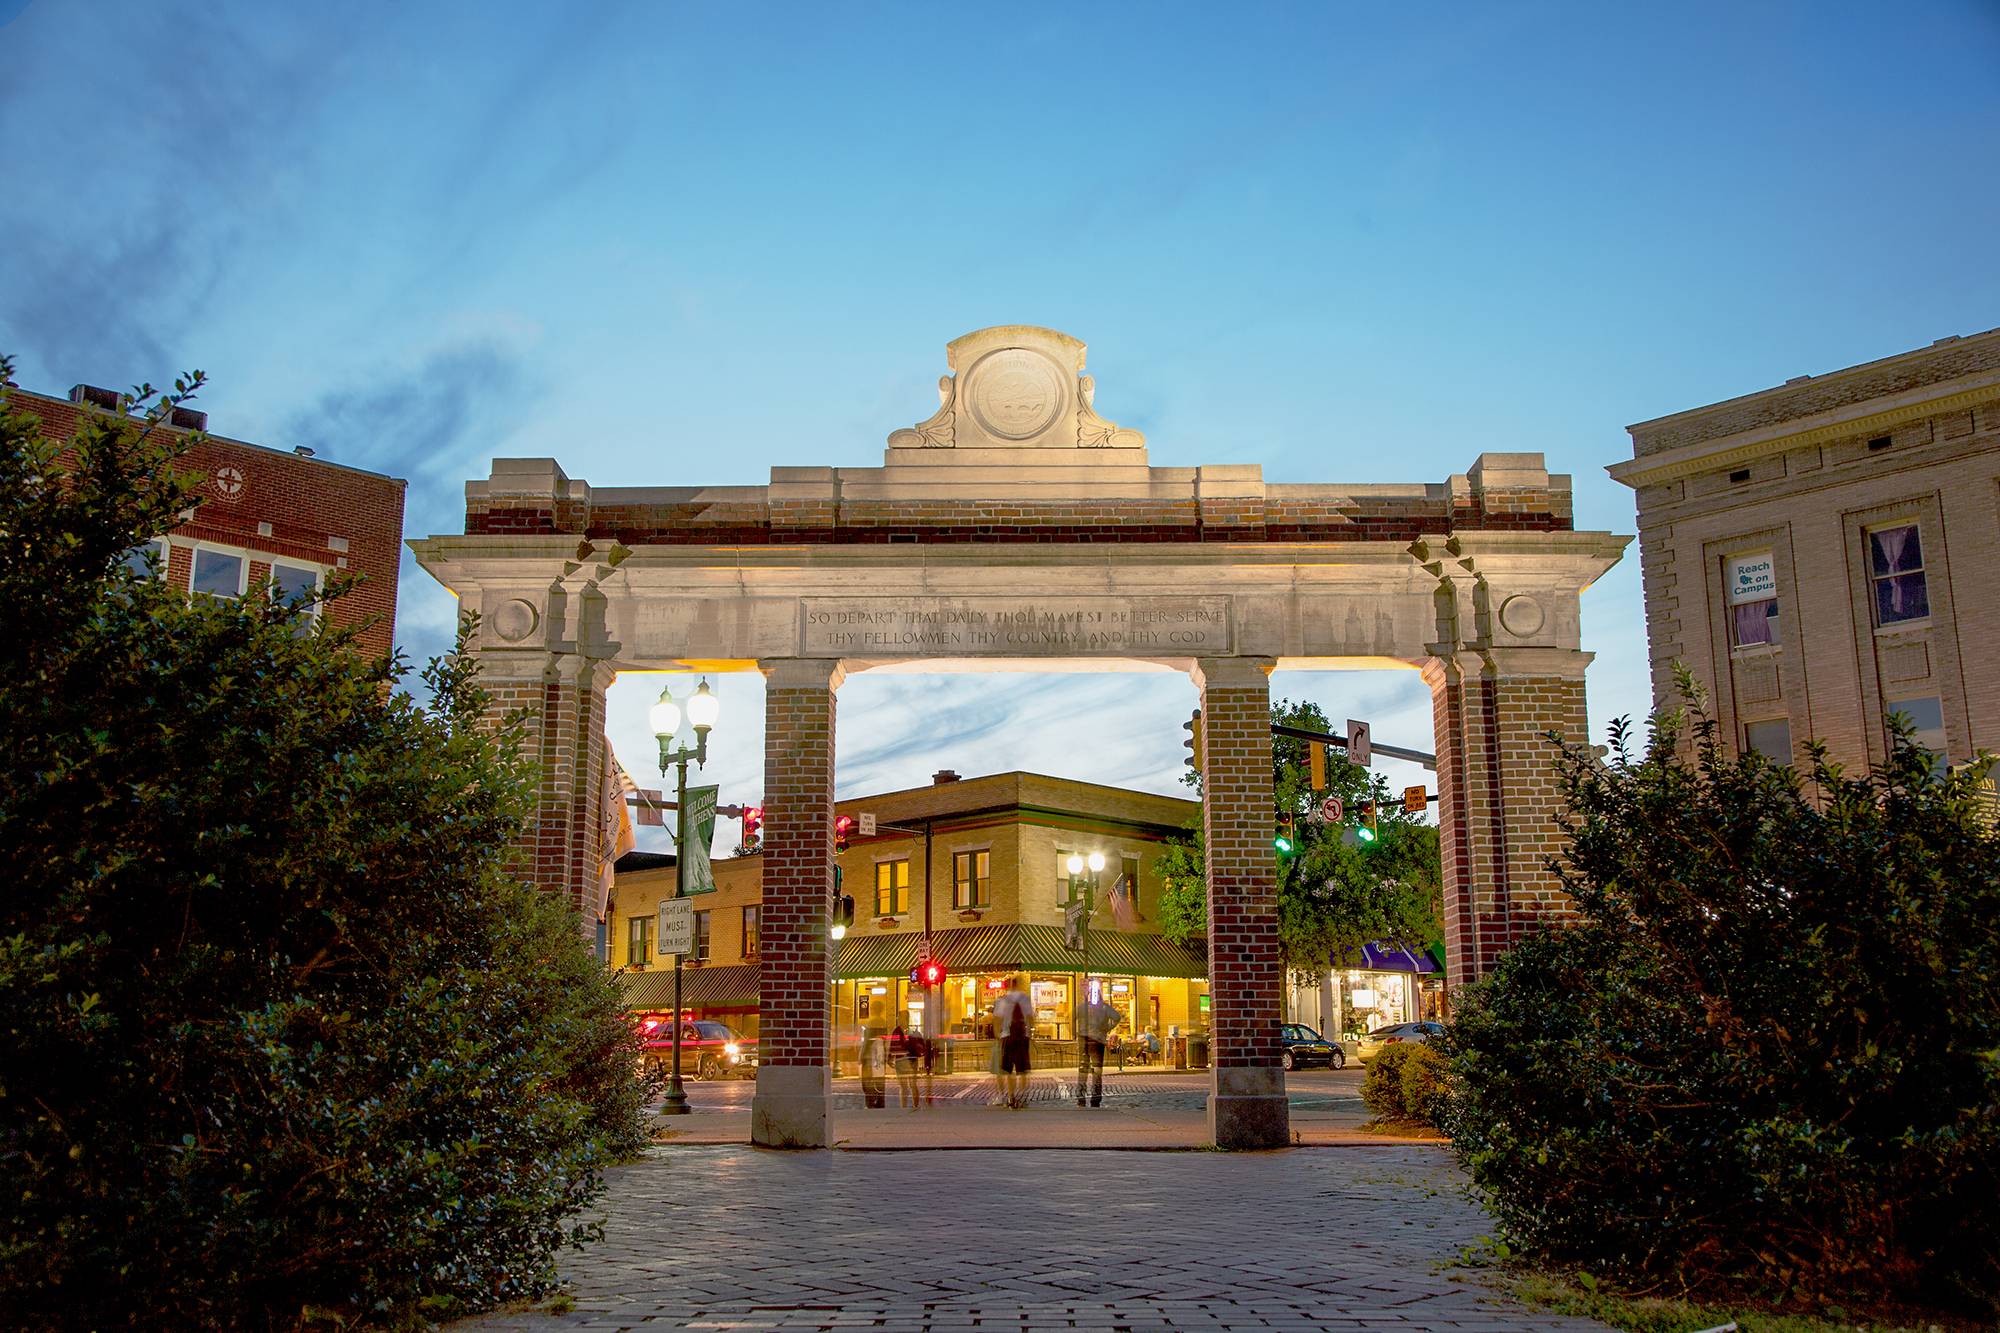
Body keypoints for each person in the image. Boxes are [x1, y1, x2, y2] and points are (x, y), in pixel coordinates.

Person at [992, 974, 1035, 1109]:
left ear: (1008, 985)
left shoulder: (1003, 999)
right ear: (1019, 984)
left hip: (1007, 1036)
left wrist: (998, 1035)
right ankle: (1023, 1097)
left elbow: (997, 1019)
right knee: (1022, 1070)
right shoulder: (1025, 998)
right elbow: (1030, 1018)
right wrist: (1031, 1033)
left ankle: (1011, 1096)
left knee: (1008, 1070)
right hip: (1022, 1037)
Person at [1078, 990, 1123, 1107]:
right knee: (1097, 1071)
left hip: (1084, 1041)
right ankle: (1095, 1099)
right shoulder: (1104, 1007)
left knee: (1083, 1070)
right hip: (1098, 1041)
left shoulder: (1084, 1007)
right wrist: (1106, 1028)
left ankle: (1081, 1098)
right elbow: (1117, 1017)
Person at [860, 1021, 888, 1109]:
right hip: (876, 1067)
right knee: (876, 1086)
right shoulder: (879, 1042)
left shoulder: (873, 1042)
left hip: (873, 1067)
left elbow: (866, 1055)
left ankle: (872, 1103)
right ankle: (877, 1102)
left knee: (869, 1085)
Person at [891, 1025, 919, 1110]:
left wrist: (889, 1057)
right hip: (912, 1059)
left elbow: (893, 1044)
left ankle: (904, 1107)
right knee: (912, 1085)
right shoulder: (912, 1031)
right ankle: (915, 1106)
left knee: (903, 1086)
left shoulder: (897, 1031)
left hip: (901, 1059)